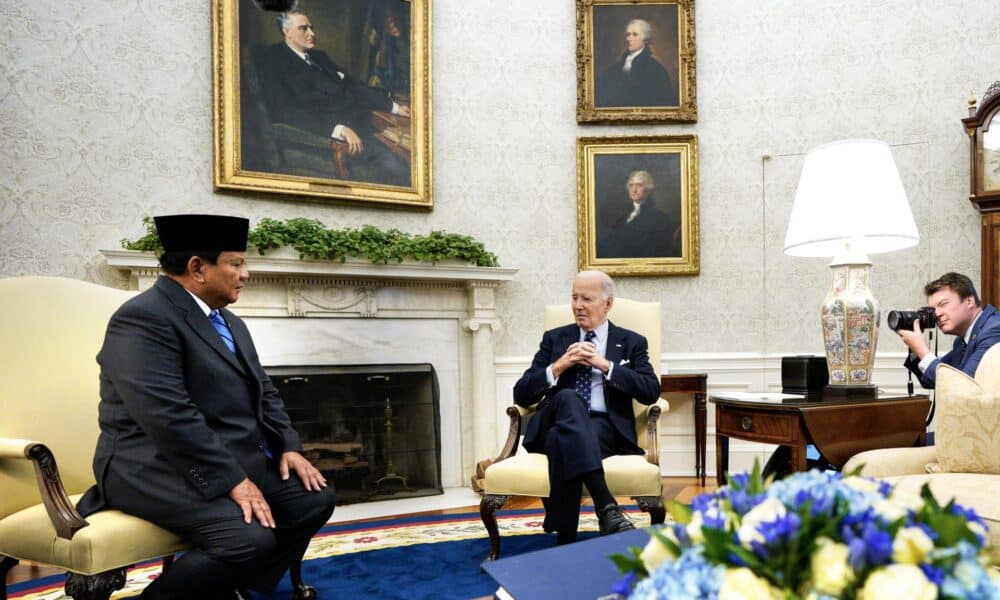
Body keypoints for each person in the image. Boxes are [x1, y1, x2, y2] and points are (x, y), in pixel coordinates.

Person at [76, 214, 335, 599]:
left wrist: (288, 446)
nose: (245, 274)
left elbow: (264, 390)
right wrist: (233, 480)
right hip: (150, 468)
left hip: (221, 458)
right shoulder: (143, 319)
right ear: (197, 267)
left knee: (313, 499)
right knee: (248, 539)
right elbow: (168, 417)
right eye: (237, 263)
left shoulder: (228, 321)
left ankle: (234, 585)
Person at [514, 271, 661, 544]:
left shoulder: (631, 342)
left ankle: (565, 537)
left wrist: (605, 365)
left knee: (564, 439)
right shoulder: (555, 339)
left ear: (607, 304)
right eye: (574, 297)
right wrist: (559, 366)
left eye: (587, 299)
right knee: (569, 399)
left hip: (603, 428)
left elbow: (651, 390)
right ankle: (607, 507)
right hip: (552, 417)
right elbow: (521, 394)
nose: (578, 305)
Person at [258, 8, 411, 186]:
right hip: (330, 139)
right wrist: (338, 129)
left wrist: (393, 107)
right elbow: (285, 111)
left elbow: (352, 87)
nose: (312, 33)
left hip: (362, 126)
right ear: (287, 32)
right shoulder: (273, 60)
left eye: (311, 28)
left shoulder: (319, 57)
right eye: (303, 29)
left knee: (406, 155)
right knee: (399, 169)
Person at [898, 272, 1000, 388]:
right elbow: (931, 381)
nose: (936, 314)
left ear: (969, 301)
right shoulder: (961, 341)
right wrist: (915, 347)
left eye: (943, 304)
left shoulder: (994, 330)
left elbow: (964, 387)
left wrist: (921, 349)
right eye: (933, 310)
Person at [595, 19, 677, 108]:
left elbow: (663, 103)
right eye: (628, 34)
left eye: (635, 34)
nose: (628, 38)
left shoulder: (657, 70)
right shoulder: (613, 69)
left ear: (645, 39)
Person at [597, 170, 680, 259]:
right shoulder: (623, 216)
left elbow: (654, 252)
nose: (634, 190)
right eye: (631, 185)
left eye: (639, 185)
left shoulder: (660, 219)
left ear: (648, 189)